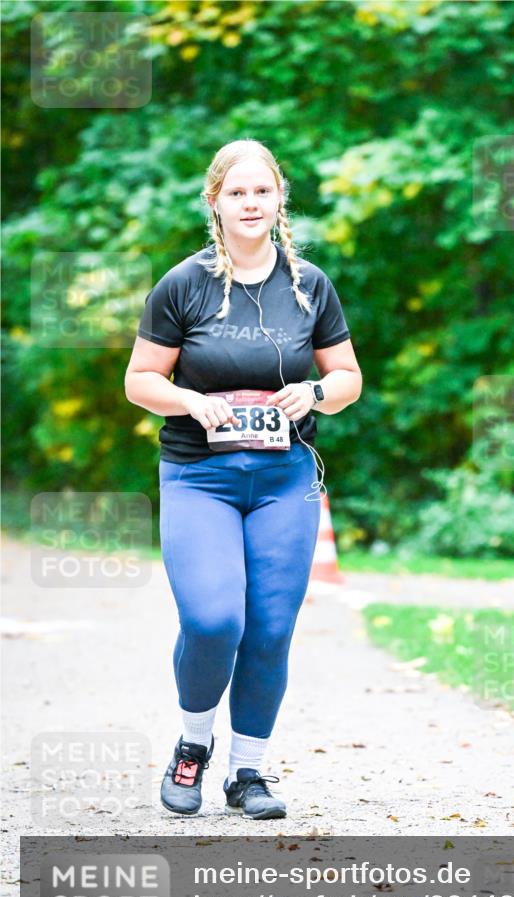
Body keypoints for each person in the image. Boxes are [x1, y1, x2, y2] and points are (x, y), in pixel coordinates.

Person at [124, 139, 362, 820]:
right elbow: (140, 381)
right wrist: (190, 402)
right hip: (201, 478)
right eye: (237, 193)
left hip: (285, 480)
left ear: (279, 198)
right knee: (212, 618)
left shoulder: (309, 284)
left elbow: (347, 379)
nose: (251, 203)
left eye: (262, 191)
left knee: (268, 629)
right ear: (216, 202)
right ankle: (192, 747)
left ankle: (248, 772)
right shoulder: (183, 284)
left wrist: (315, 395)